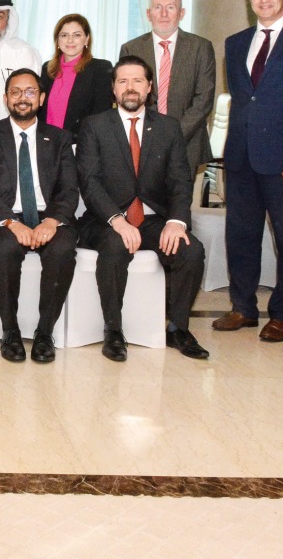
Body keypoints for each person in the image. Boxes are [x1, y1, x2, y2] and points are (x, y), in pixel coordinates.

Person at [77, 56, 209, 362]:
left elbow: (179, 180)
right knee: (114, 244)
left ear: (149, 87)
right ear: (113, 89)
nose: (130, 88)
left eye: (137, 80)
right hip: (106, 219)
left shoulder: (168, 127)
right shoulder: (94, 126)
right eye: (123, 81)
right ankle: (113, 331)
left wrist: (176, 221)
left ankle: (178, 328)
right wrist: (117, 221)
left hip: (153, 220)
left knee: (191, 250)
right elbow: (90, 182)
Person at [214, 0, 283, 342]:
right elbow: (242, 100)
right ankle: (242, 307)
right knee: (240, 235)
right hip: (240, 156)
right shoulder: (235, 42)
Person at [0, 69, 80, 363]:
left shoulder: (59, 138)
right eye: (16, 92)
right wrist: (10, 221)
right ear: (5, 98)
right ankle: (10, 330)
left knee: (62, 250)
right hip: (5, 217)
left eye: (30, 91)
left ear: (41, 98)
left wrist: (52, 220)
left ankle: (45, 332)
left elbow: (69, 189)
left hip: (49, 216)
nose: (23, 98)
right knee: (5, 248)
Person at [119, 0, 216, 176]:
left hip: (187, 142)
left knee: (179, 203)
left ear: (181, 13)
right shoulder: (131, 48)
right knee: (147, 203)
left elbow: (203, 100)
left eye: (170, 7)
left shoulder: (201, 47)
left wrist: (173, 135)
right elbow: (126, 95)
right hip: (142, 141)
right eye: (157, 7)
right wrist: (150, 134)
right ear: (148, 14)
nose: (163, 14)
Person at [36, 13, 113, 141]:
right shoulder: (47, 68)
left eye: (77, 35)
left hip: (81, 145)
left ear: (87, 39)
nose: (70, 40)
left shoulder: (100, 68)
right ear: (57, 40)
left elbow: (101, 115)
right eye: (64, 35)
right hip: (46, 143)